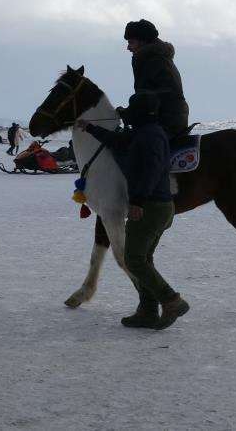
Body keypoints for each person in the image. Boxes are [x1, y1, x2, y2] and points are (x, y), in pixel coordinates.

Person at [76, 92, 189, 330]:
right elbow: (117, 142)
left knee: (134, 260)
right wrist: (91, 129)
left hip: (151, 207)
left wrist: (137, 202)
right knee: (143, 258)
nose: (127, 112)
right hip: (155, 206)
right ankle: (147, 311)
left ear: (141, 111)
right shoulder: (144, 132)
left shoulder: (150, 137)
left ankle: (171, 300)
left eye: (132, 108)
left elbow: (149, 172)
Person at [123, 19, 189, 138]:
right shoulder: (152, 59)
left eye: (131, 42)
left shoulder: (154, 61)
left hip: (167, 121)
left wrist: (130, 112)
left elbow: (155, 97)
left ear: (143, 42)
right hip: (164, 118)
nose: (128, 47)